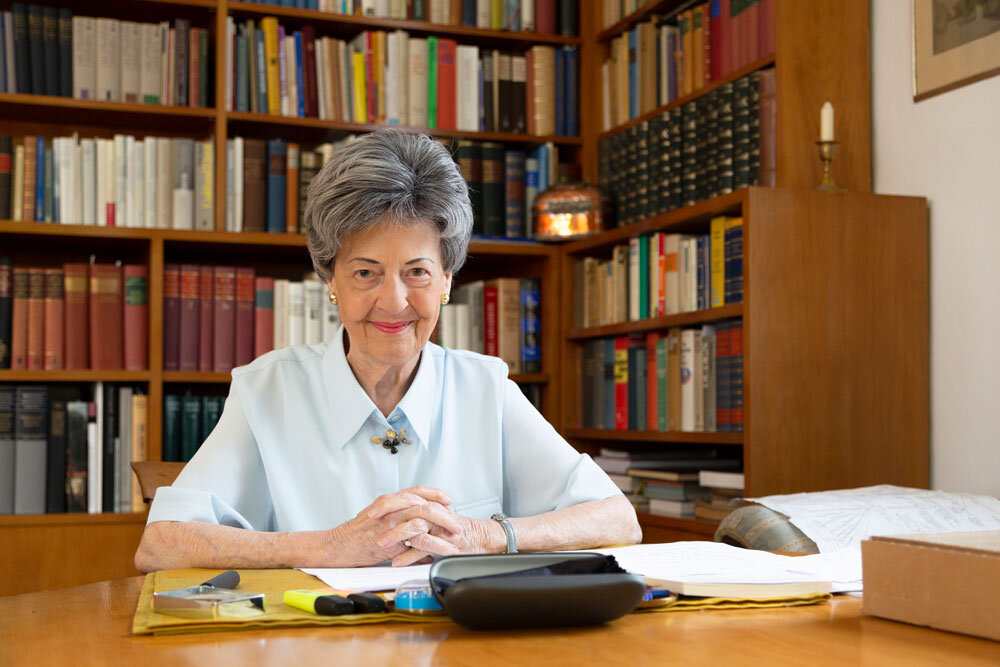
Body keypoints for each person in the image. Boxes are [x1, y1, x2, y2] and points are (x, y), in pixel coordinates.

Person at [134, 129, 641, 572]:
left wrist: (483, 535)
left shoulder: (484, 387)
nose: (393, 301)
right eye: (365, 272)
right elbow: (160, 545)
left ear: (447, 279)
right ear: (331, 280)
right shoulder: (267, 391)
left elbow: (618, 519)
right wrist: (327, 546)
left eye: (417, 271)